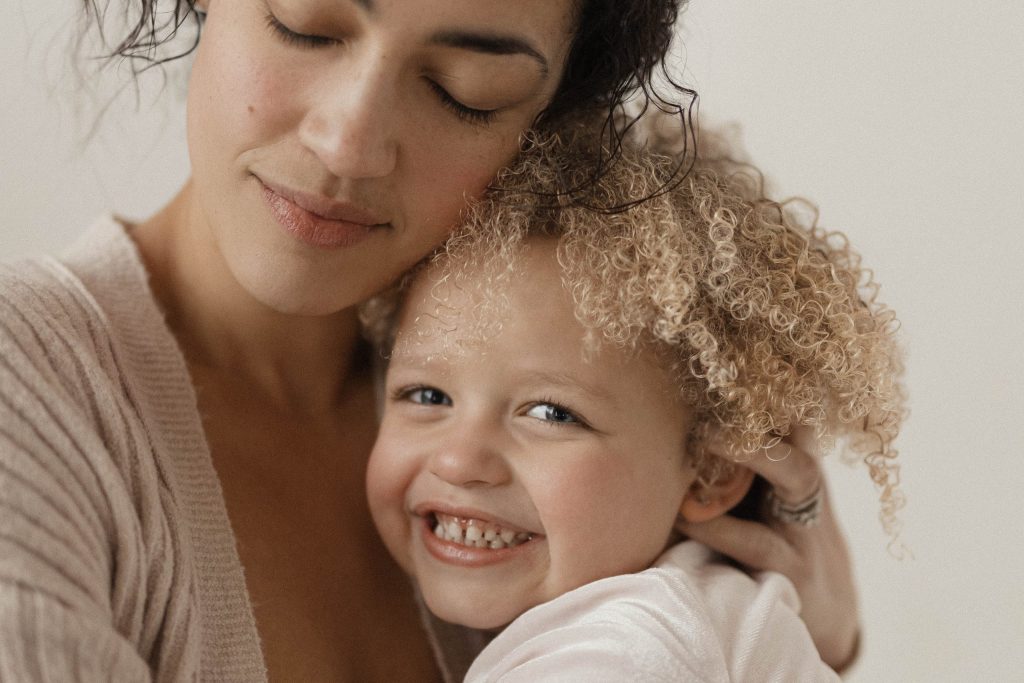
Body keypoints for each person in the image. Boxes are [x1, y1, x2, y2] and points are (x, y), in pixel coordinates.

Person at [0, 0, 862, 679]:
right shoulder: (31, 393)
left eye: (462, 87)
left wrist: (797, 633)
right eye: (305, 24)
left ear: (551, 121)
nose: (348, 144)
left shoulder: (611, 389)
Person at [364, 128, 902, 681]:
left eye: (551, 413)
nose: (457, 461)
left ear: (711, 473)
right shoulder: (705, 612)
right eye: (427, 395)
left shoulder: (624, 650)